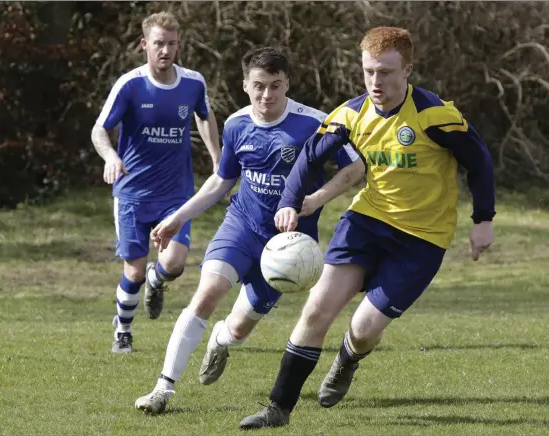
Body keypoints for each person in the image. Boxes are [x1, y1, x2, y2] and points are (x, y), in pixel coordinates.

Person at [239, 26, 496, 429]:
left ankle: (347, 358)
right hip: (367, 222)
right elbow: (309, 158)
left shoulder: (434, 115)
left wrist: (483, 221)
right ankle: (277, 409)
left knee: (364, 328)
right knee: (316, 310)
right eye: (369, 71)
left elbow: (479, 162)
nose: (376, 82)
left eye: (387, 72)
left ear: (408, 69)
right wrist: (290, 203)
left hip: (421, 239)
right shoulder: (351, 114)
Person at [134, 46, 365, 414]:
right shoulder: (237, 124)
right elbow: (222, 181)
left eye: (275, 85)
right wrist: (178, 217)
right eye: (259, 86)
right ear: (245, 85)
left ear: (287, 83)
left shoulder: (314, 124)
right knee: (206, 294)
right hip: (241, 226)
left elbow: (354, 169)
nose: (267, 95)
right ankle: (163, 389)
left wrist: (317, 199)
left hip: (287, 248)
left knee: (239, 329)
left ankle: (221, 341)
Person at [91, 11, 221, 353]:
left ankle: (157, 280)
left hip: (176, 193)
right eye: (159, 44)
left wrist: (218, 161)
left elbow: (205, 117)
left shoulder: (193, 82)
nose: (166, 50)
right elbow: (99, 129)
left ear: (179, 45)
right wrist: (110, 157)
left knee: (174, 264)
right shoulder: (130, 84)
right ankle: (123, 329)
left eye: (172, 44)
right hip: (133, 193)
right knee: (132, 272)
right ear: (145, 44)